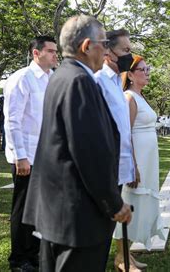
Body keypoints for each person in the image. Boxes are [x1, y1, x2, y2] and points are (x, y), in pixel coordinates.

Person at [22, 15, 132, 271]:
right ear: (86, 47)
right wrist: (114, 204)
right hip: (77, 216)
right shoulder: (80, 82)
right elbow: (89, 153)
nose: (106, 50)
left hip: (59, 212)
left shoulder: (62, 76)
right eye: (103, 43)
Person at [3, 35, 58, 272]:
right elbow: (12, 120)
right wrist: (20, 156)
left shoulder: (53, 78)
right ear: (36, 53)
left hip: (47, 155)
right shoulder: (21, 78)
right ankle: (19, 259)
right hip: (27, 155)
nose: (56, 55)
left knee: (41, 208)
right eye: (51, 51)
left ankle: (35, 253)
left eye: (56, 51)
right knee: (24, 208)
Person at [94, 29, 143, 272]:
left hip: (117, 167)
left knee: (104, 229)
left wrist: (130, 165)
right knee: (96, 229)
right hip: (102, 168)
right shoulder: (97, 82)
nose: (129, 56)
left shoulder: (116, 83)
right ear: (107, 53)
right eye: (125, 51)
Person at [120, 55, 165, 255]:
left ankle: (128, 253)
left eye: (148, 70)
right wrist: (132, 166)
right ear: (129, 74)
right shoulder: (129, 97)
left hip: (148, 160)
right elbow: (126, 134)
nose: (147, 74)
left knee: (139, 204)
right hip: (137, 160)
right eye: (142, 70)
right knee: (129, 201)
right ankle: (120, 256)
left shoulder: (140, 96)